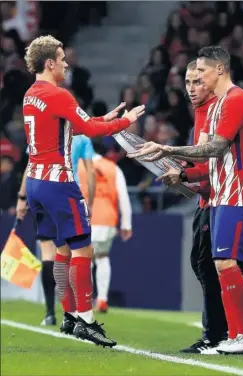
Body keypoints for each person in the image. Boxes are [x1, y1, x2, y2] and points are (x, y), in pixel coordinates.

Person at [128, 46, 243, 355]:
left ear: (219, 70)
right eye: (191, 76)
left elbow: (215, 149)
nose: (194, 81)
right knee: (219, 264)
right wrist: (183, 175)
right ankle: (232, 335)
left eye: (200, 74)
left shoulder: (236, 100)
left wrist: (169, 150)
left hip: (236, 194)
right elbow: (208, 160)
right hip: (219, 196)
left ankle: (241, 335)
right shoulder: (215, 107)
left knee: (228, 263)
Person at [22, 35, 145, 347]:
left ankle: (68, 315)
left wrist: (105, 118)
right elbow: (88, 131)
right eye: (62, 59)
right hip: (58, 182)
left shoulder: (30, 94)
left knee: (61, 250)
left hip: (36, 182)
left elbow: (70, 126)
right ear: (49, 63)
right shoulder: (58, 94)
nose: (66, 64)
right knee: (83, 249)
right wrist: (125, 122)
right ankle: (87, 322)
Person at [17, 133, 96, 327]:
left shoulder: (39, 129)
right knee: (79, 253)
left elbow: (30, 166)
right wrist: (90, 204)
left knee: (50, 254)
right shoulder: (82, 137)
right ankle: (75, 313)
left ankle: (51, 313)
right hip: (68, 194)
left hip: (40, 193)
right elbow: (90, 172)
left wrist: (21, 197)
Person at [78, 138, 133, 313]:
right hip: (107, 219)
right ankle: (102, 299)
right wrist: (126, 224)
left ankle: (85, 299)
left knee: (86, 260)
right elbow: (124, 197)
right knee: (102, 257)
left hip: (85, 217)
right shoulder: (113, 168)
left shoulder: (78, 165)